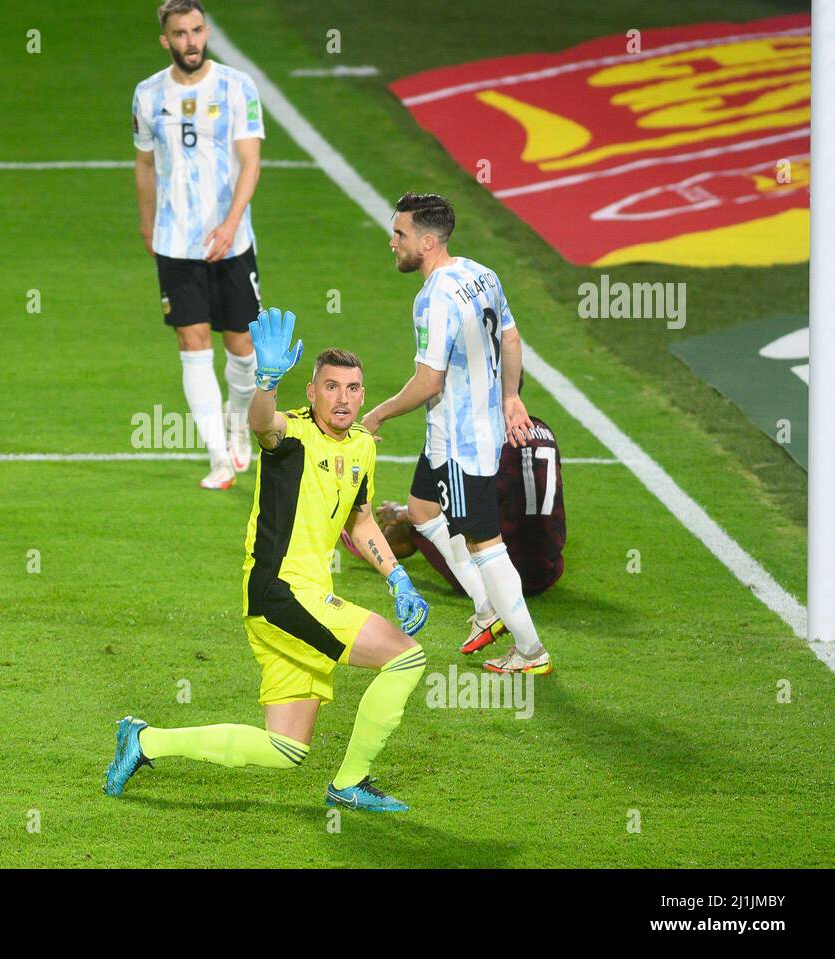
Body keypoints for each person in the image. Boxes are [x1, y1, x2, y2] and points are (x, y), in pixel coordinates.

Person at [105, 308, 430, 812]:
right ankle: (351, 781)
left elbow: (361, 519)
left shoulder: (364, 446)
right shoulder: (293, 437)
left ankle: (144, 742)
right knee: (405, 655)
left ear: (364, 395)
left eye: (352, 388)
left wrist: (399, 577)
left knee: (285, 749)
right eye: (330, 386)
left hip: (296, 601)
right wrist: (265, 382)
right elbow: (262, 423)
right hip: (281, 592)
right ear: (311, 391)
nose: (342, 398)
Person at [361, 193, 553, 675]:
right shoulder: (480, 273)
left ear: (427, 241)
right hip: (452, 431)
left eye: (400, 234)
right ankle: (488, 611)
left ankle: (531, 653)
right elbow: (509, 335)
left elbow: (430, 381)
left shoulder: (434, 300)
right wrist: (511, 396)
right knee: (424, 510)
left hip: (466, 441)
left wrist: (378, 414)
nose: (392, 242)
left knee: (485, 545)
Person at [133, 0, 263, 489]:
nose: (190, 41)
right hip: (175, 242)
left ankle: (236, 424)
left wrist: (230, 224)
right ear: (165, 40)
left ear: (205, 32)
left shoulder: (236, 87)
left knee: (243, 348)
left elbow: (250, 161)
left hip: (232, 242)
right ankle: (218, 458)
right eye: (180, 34)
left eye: (197, 30)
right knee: (192, 345)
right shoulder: (148, 95)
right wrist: (147, 226)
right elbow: (144, 164)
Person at [341, 409, 567, 630]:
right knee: (430, 511)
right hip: (547, 571)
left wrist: (402, 513)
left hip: (501, 573)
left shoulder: (485, 436)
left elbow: (467, 509)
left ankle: (367, 542)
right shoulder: (542, 429)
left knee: (422, 520)